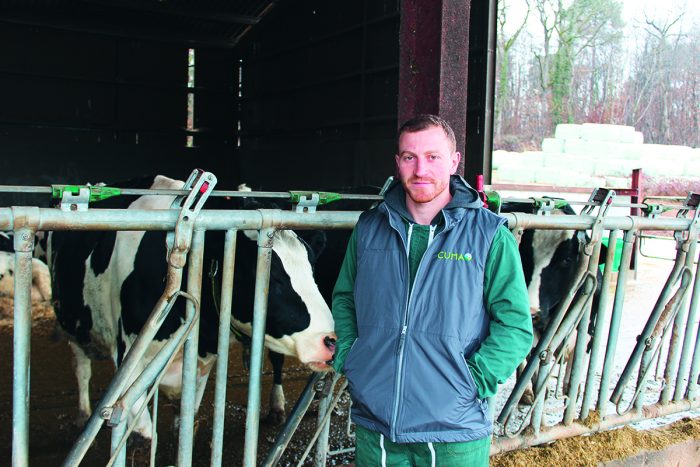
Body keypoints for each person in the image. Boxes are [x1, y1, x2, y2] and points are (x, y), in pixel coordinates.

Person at [331, 114, 533, 466]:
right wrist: (352, 358)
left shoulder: (489, 236)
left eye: (433, 157)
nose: (420, 169)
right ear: (397, 163)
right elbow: (345, 297)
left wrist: (472, 382)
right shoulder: (369, 228)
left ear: (454, 162)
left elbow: (515, 326)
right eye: (410, 157)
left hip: (454, 432)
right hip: (377, 428)